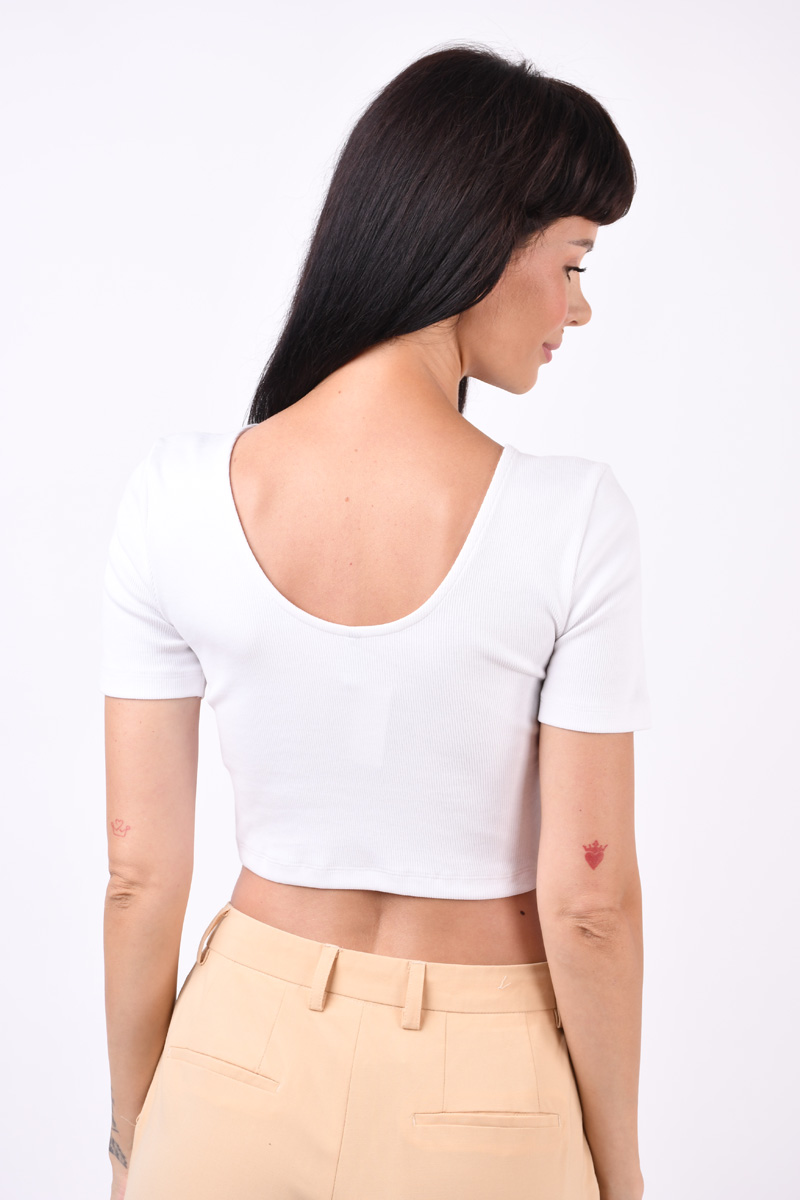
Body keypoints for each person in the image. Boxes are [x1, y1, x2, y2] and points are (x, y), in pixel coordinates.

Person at [101, 43, 651, 1200]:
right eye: (570, 261)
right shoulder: (569, 521)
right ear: (482, 237)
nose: (578, 307)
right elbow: (590, 904)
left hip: (231, 1065)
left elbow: (138, 873)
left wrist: (132, 1138)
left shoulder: (172, 497)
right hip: (484, 1093)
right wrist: (617, 1168)